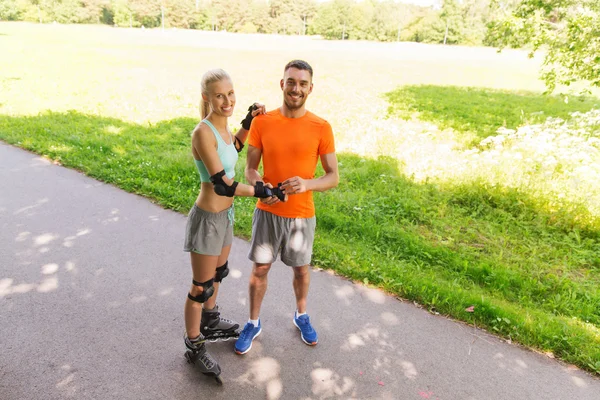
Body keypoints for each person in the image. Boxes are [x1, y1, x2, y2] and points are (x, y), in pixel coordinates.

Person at [183, 68, 286, 380]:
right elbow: (223, 184)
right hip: (207, 219)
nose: (227, 100)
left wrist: (248, 120)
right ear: (207, 98)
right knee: (200, 287)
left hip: (225, 218)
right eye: (219, 96)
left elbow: (233, 149)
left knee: (218, 275)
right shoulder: (202, 132)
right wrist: (261, 190)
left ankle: (210, 321)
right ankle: (194, 344)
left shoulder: (224, 130)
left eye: (230, 94)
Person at [234, 60, 339, 355]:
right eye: (291, 82)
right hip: (268, 211)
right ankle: (253, 322)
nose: (296, 89)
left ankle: (301, 315)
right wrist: (260, 188)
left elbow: (333, 176)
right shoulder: (263, 122)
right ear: (282, 84)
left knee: (302, 271)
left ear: (310, 88)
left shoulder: (321, 127)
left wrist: (307, 184)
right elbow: (250, 169)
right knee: (260, 268)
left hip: (302, 216)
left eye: (302, 84)